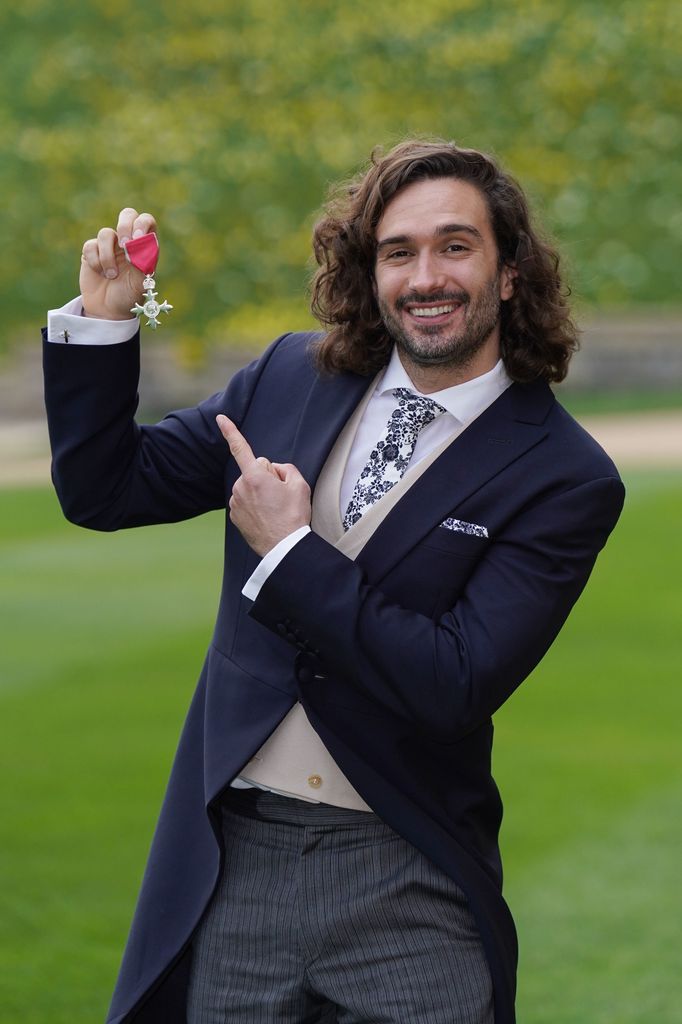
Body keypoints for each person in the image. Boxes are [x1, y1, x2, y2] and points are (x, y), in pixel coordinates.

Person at [43, 139, 625, 1024]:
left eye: (455, 246)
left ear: (510, 271)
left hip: (409, 871)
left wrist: (288, 555)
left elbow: (450, 682)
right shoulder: (288, 375)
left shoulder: (565, 475)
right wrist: (105, 323)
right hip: (236, 859)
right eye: (399, 252)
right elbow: (105, 489)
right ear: (372, 270)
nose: (425, 276)